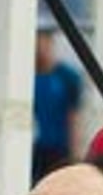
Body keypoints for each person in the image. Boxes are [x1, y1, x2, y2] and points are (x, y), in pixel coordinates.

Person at [31, 24, 84, 184]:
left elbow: (74, 117)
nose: (40, 49)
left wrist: (75, 154)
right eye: (36, 44)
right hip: (36, 148)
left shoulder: (67, 76)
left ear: (50, 44)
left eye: (43, 44)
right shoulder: (27, 75)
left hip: (61, 148)